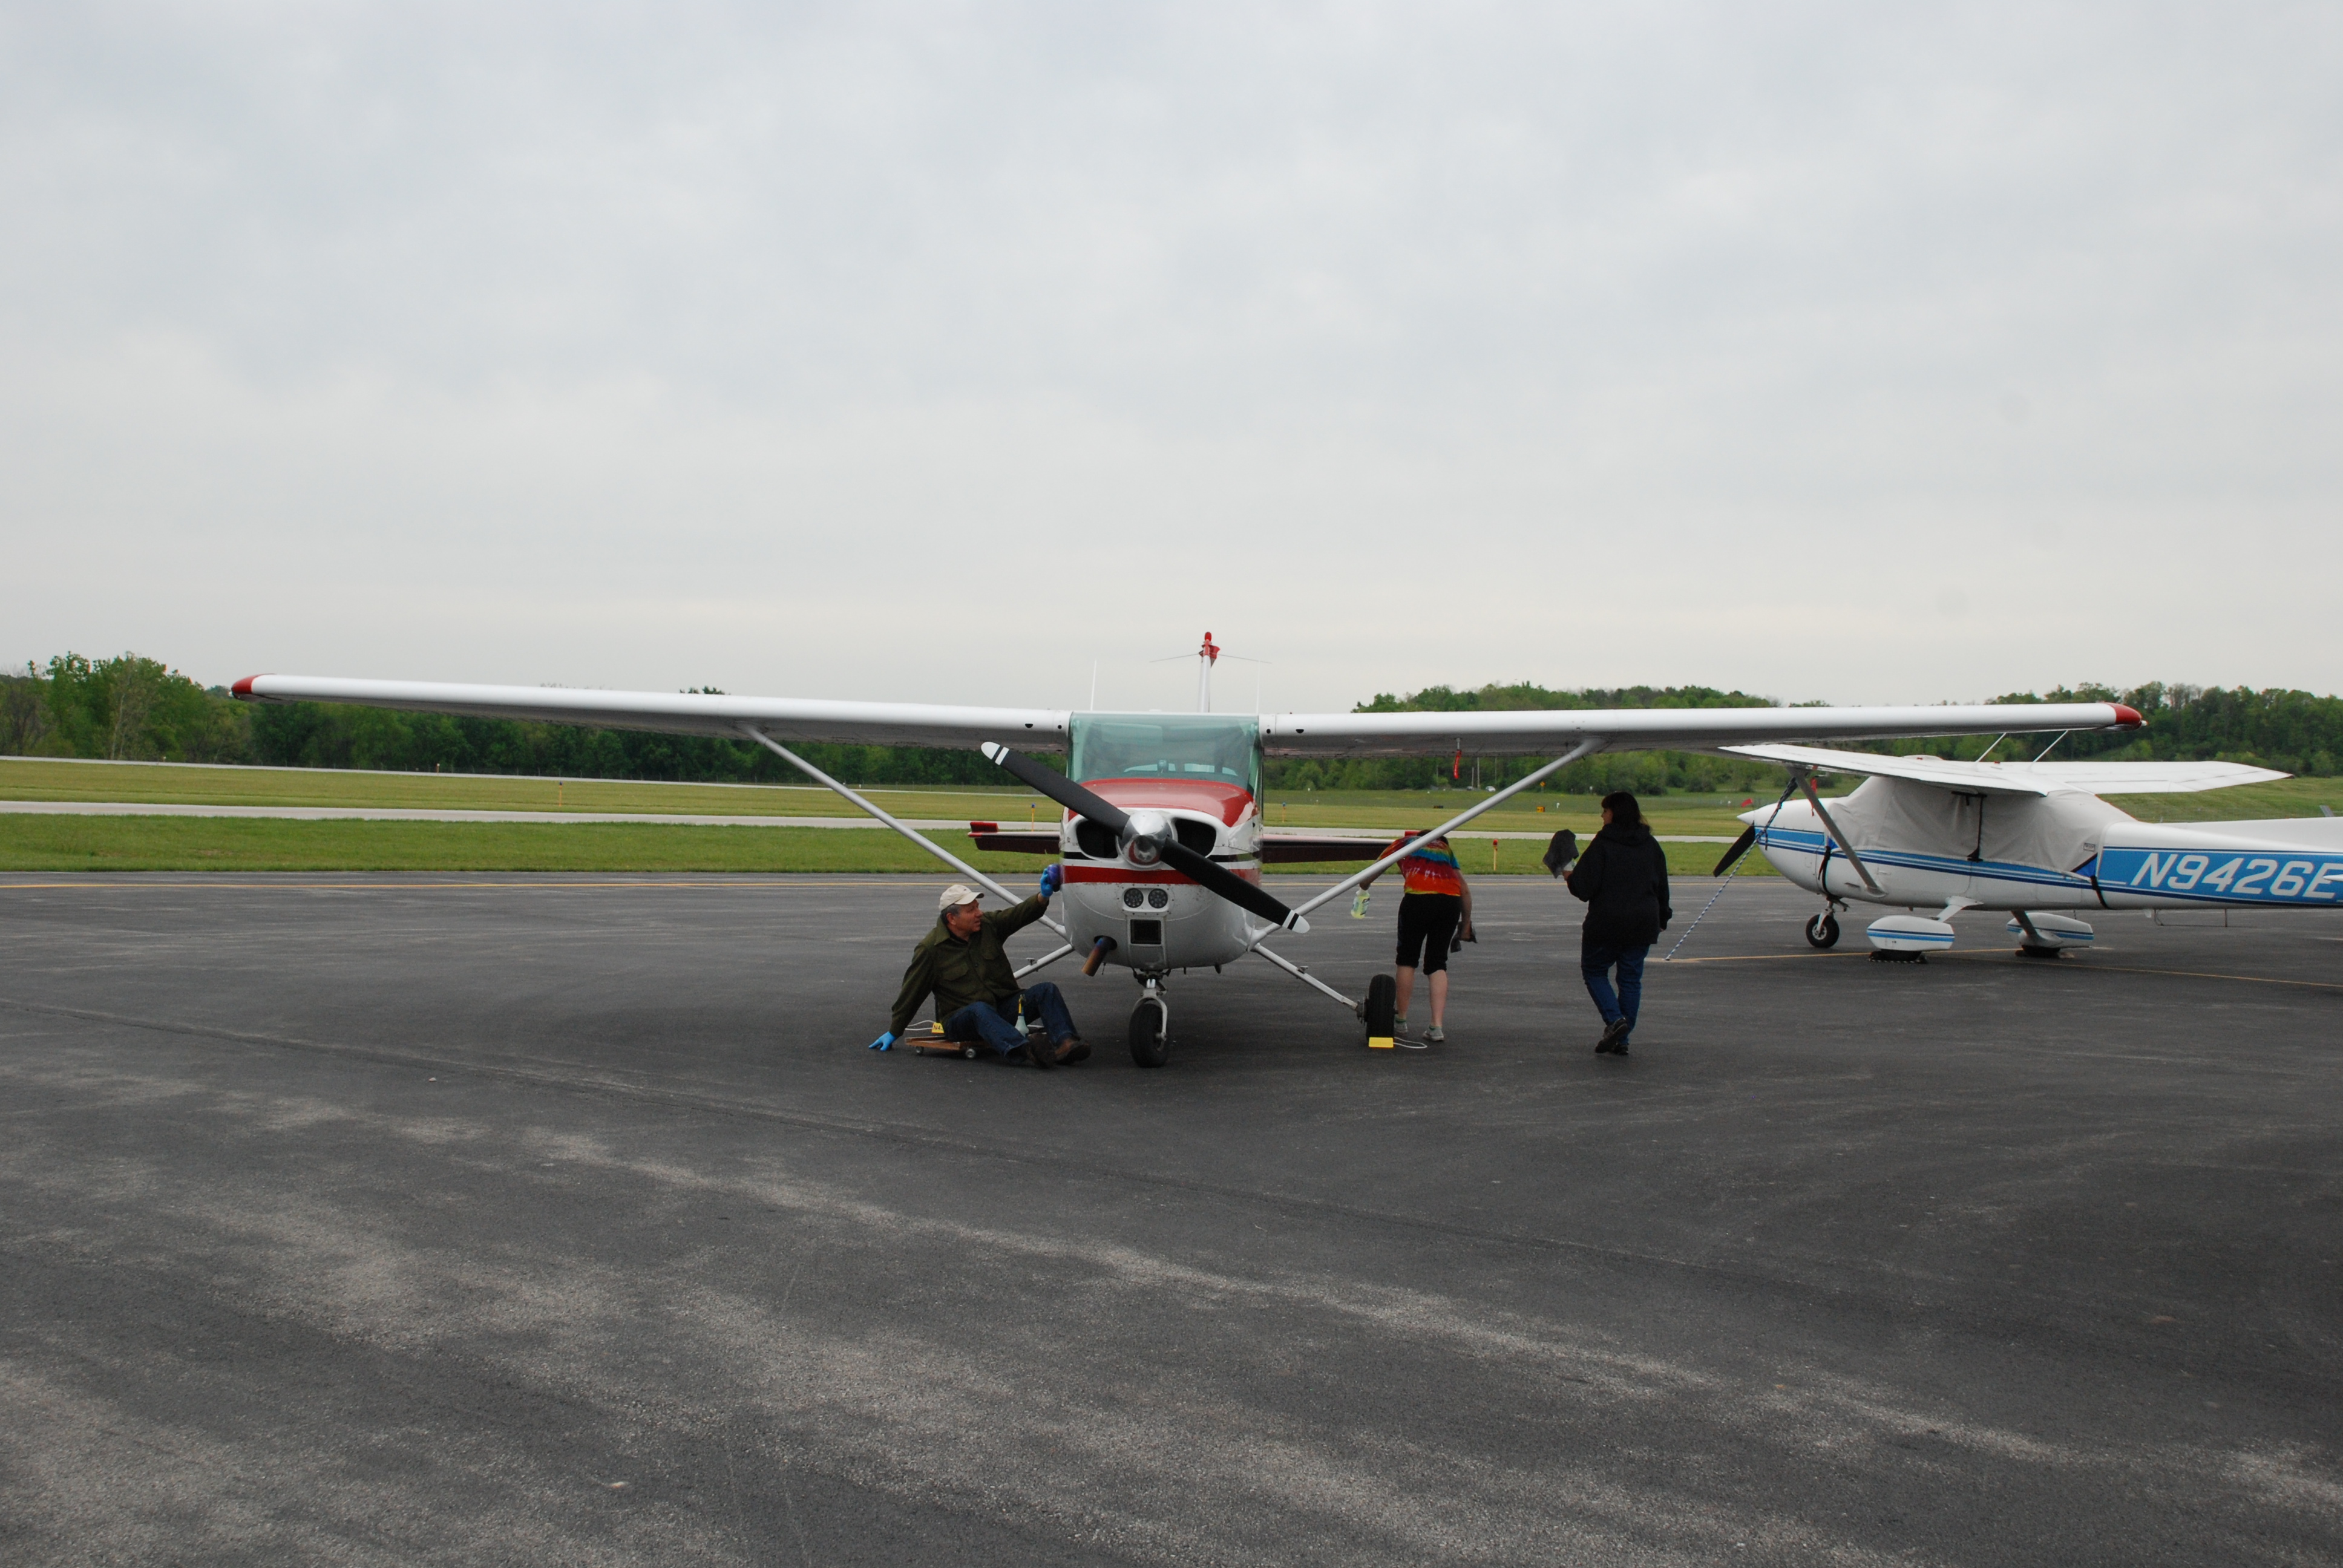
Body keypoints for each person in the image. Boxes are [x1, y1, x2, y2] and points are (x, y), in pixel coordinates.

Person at [867, 869, 1087, 1067]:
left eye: (978, 907)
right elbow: (912, 993)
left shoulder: (988, 926)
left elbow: (1019, 915)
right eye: (971, 910)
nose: (979, 913)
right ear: (952, 918)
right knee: (979, 1009)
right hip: (961, 1021)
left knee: (1046, 991)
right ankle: (1025, 1049)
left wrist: (1043, 896)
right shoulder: (930, 949)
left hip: (999, 1010)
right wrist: (894, 1031)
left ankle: (1066, 1043)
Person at [1564, 791, 1671, 1056]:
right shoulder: (1650, 844)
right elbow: (1662, 885)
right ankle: (1623, 1038)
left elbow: (1583, 888)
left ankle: (1615, 1020)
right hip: (1643, 922)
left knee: (1594, 971)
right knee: (1630, 979)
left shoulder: (1603, 843)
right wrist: (1663, 917)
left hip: (1607, 922)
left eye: (1605, 811)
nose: (1602, 816)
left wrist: (1568, 874)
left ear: (1614, 813)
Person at [1362, 831, 1473, 1042]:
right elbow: (1464, 890)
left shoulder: (1403, 843)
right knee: (1438, 963)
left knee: (1407, 959)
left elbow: (1376, 868)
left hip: (1418, 900)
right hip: (1450, 903)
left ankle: (1401, 1021)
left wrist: (1363, 886)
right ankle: (1436, 1027)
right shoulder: (1445, 849)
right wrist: (1466, 925)